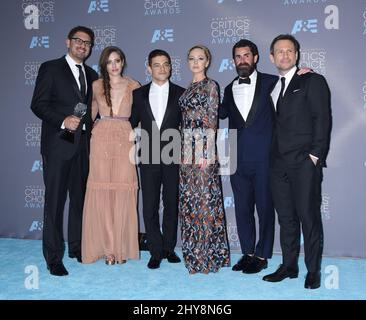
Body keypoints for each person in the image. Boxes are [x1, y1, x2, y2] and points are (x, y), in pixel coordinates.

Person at [263, 34, 331, 289]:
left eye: (289, 51)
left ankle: (312, 270)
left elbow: (322, 120)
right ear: (272, 57)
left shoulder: (313, 81)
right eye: (279, 51)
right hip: (277, 164)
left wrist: (314, 156)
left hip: (304, 162)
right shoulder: (271, 85)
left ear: (296, 54)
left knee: (309, 217)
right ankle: (289, 265)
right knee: (286, 218)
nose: (284, 55)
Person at [30, 26, 98, 276]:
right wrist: (62, 120)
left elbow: (92, 112)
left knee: (80, 202)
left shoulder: (92, 74)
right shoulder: (51, 68)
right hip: (58, 145)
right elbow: (37, 104)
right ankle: (53, 257)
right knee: (55, 203)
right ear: (68, 42)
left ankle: (78, 248)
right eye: (78, 41)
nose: (83, 45)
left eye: (88, 43)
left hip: (82, 148)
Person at [219, 39, 277, 274]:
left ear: (255, 57)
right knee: (242, 209)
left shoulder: (272, 83)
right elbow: (218, 113)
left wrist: (305, 74)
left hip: (264, 158)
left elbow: (294, 89)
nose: (242, 60)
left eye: (246, 56)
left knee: (264, 208)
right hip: (236, 158)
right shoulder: (228, 87)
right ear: (233, 61)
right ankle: (247, 253)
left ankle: (262, 255)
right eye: (237, 57)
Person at [81, 46, 140, 265]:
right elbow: (88, 114)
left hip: (125, 136)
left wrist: (140, 131)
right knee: (103, 193)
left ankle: (121, 247)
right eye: (109, 62)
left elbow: (143, 112)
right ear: (104, 65)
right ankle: (108, 250)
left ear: (123, 62)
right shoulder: (96, 85)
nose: (114, 65)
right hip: (101, 137)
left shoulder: (134, 85)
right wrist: (69, 131)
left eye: (117, 61)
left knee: (124, 190)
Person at [130, 49, 184, 269]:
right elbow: (131, 123)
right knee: (150, 206)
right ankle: (155, 250)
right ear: (149, 68)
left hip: (173, 155)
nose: (162, 68)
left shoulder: (182, 93)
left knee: (171, 204)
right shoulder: (138, 94)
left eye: (166, 64)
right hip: (149, 155)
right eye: (157, 64)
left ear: (171, 67)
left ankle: (169, 248)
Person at [179, 45, 230, 274]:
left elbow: (211, 120)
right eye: (192, 59)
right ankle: (193, 255)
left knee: (205, 203)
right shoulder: (188, 87)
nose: (196, 62)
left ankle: (208, 258)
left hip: (201, 149)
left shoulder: (210, 85)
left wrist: (205, 152)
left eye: (200, 58)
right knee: (190, 204)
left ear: (207, 62)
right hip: (184, 150)